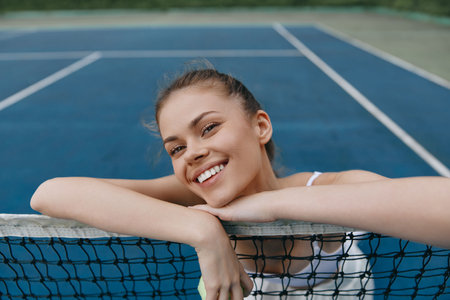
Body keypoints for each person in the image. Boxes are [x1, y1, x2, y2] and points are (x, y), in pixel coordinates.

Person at [30, 68, 450, 300]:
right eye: (175, 149)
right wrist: (201, 230)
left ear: (260, 126)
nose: (191, 152)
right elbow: (49, 193)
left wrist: (271, 206)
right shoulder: (193, 202)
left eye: (209, 128)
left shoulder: (329, 187)